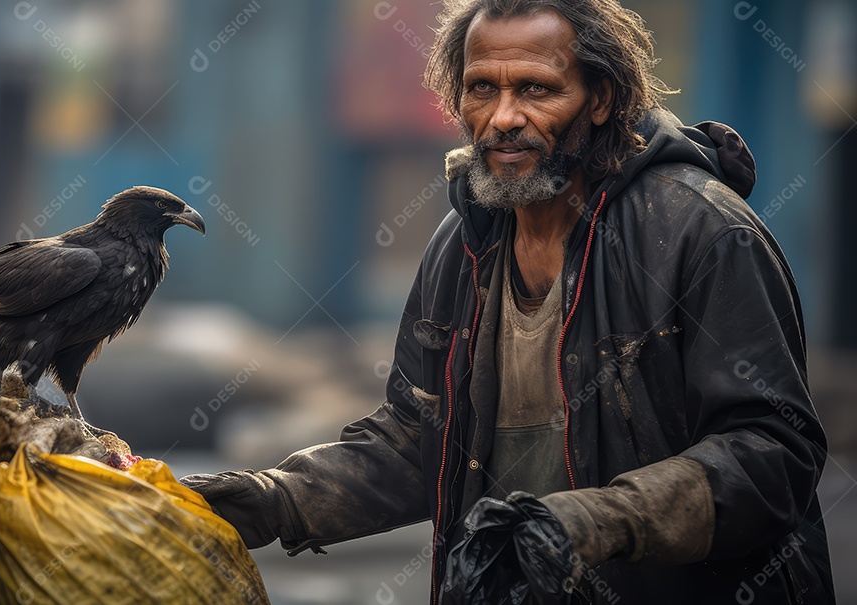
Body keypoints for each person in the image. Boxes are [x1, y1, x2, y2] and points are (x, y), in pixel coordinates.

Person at [182, 0, 835, 602]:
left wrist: (597, 521)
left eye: (536, 89)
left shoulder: (700, 232)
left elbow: (775, 452)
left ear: (601, 99)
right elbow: (417, 441)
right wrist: (273, 499)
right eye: (481, 89)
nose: (502, 118)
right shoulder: (462, 243)